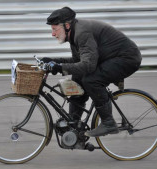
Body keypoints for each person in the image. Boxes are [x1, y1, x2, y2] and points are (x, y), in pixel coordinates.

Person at [42, 7, 142, 137]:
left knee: (91, 80)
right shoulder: (73, 34)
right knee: (77, 79)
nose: (53, 34)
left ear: (66, 25)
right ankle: (74, 124)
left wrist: (59, 67)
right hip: (109, 58)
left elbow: (88, 65)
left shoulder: (82, 33)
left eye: (55, 29)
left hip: (126, 59)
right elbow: (78, 60)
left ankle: (108, 123)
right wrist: (55, 61)